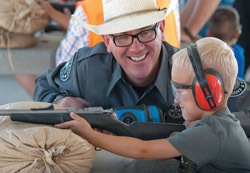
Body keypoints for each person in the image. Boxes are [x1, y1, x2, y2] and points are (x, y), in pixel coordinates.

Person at [55, 37, 250, 172]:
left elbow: (142, 150)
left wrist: (89, 133)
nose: (176, 100)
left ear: (208, 91)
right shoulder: (221, 125)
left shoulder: (212, 132)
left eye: (181, 91)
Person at [207, 6, 245, 79]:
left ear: (208, 33)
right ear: (237, 33)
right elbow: (239, 81)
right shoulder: (238, 52)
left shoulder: (204, 51)